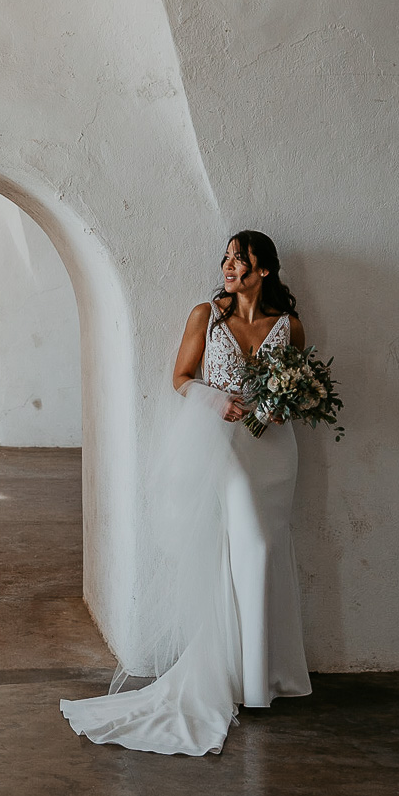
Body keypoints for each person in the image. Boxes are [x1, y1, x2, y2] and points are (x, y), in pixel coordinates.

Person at [60, 230, 312, 756]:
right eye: (225, 259)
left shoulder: (289, 325)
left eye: (239, 261)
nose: (229, 268)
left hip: (274, 449)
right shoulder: (206, 315)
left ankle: (264, 676)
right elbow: (179, 377)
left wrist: (285, 404)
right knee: (250, 549)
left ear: (263, 269)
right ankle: (236, 678)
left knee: (265, 550)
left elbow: (300, 384)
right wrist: (215, 401)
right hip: (224, 446)